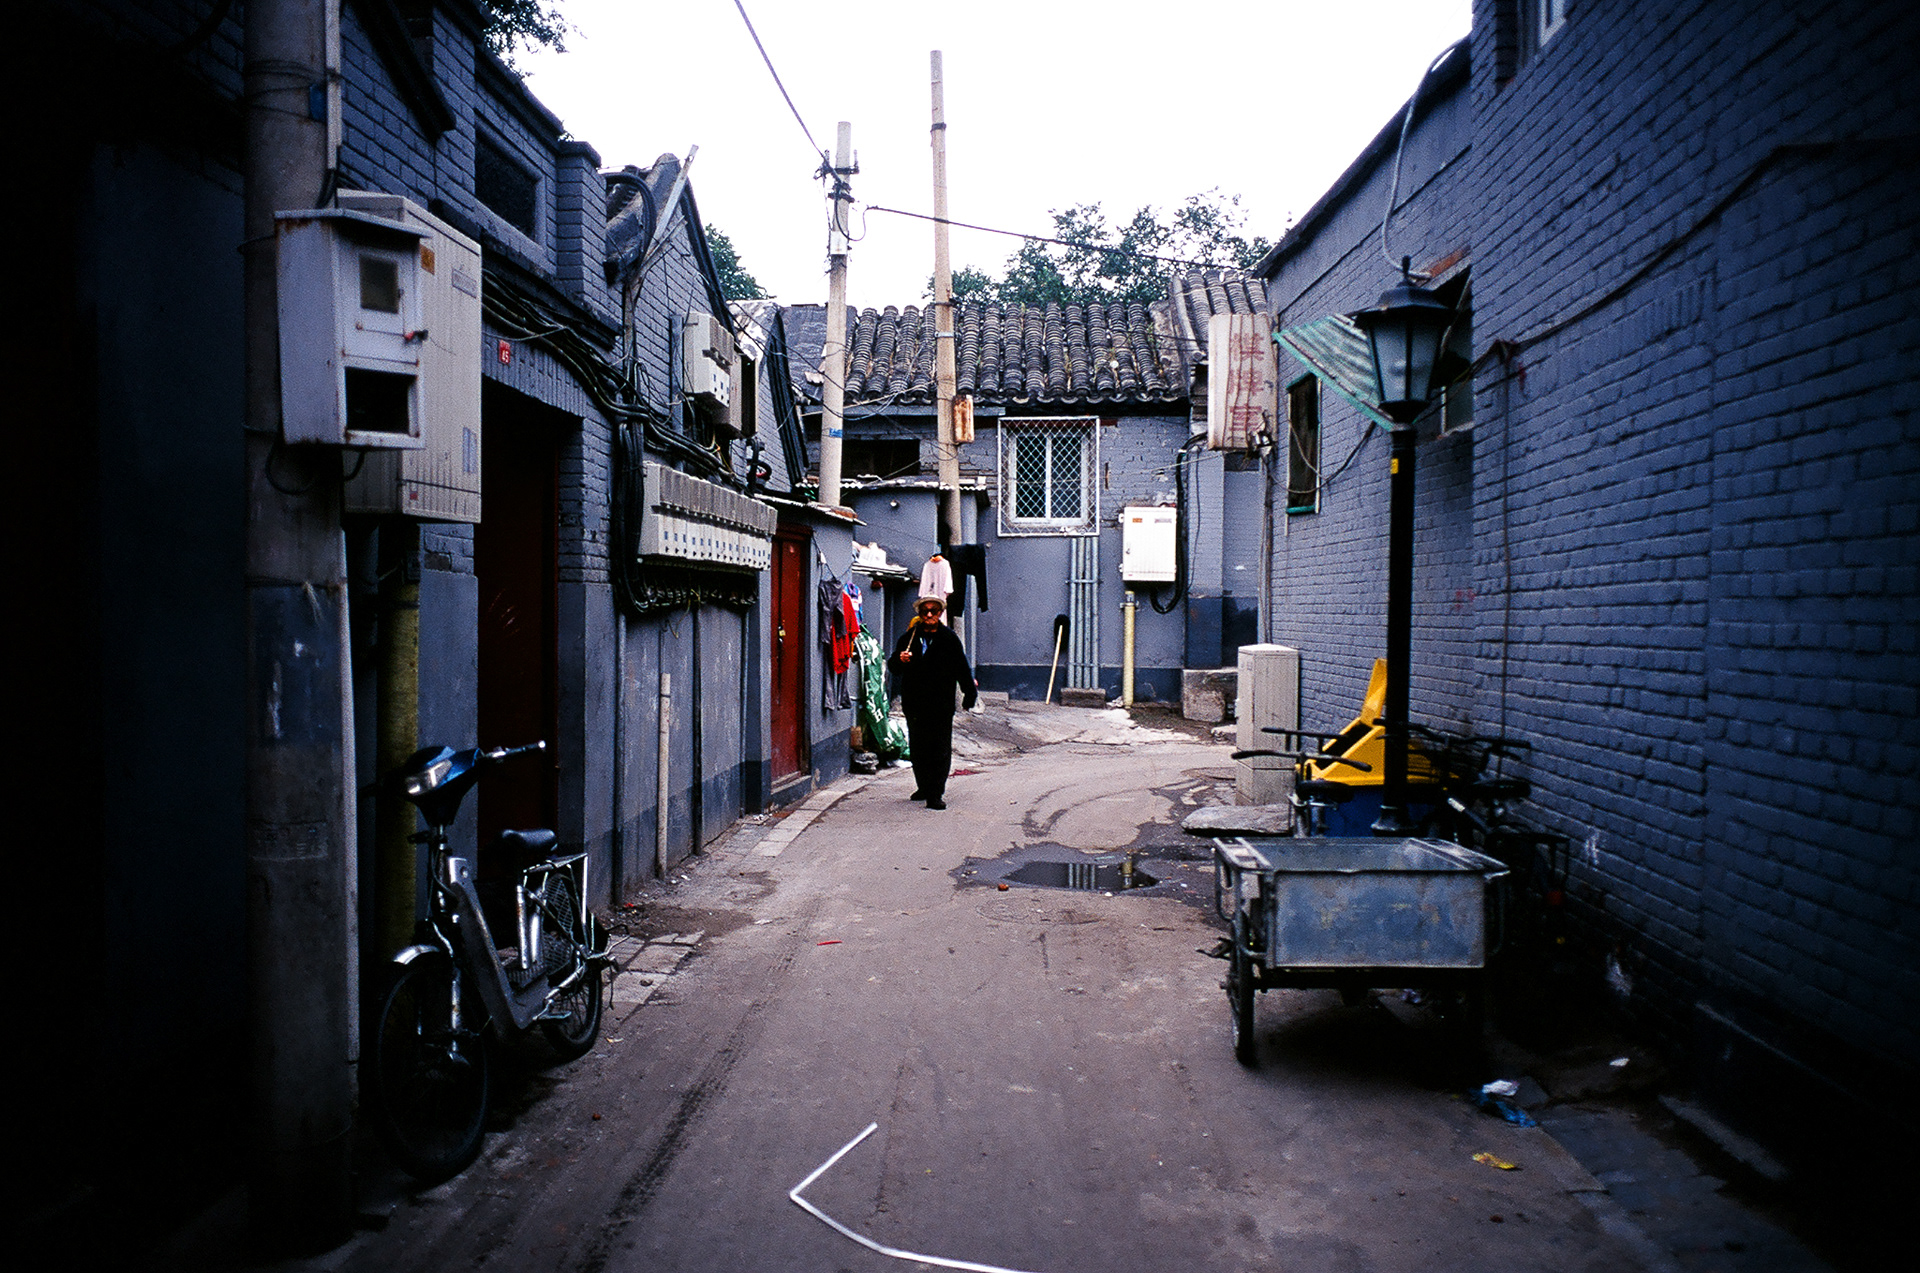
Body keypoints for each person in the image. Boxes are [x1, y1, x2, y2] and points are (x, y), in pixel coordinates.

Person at [887, 596, 977, 809]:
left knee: (939, 748)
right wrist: (899, 659)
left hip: (940, 703)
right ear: (919, 614)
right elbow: (894, 668)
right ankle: (923, 786)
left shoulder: (949, 639)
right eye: (925, 611)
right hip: (915, 702)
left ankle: (936, 792)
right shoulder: (909, 637)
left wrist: (969, 694)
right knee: (918, 747)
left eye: (933, 611)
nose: (929, 615)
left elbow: (961, 667)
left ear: (940, 613)